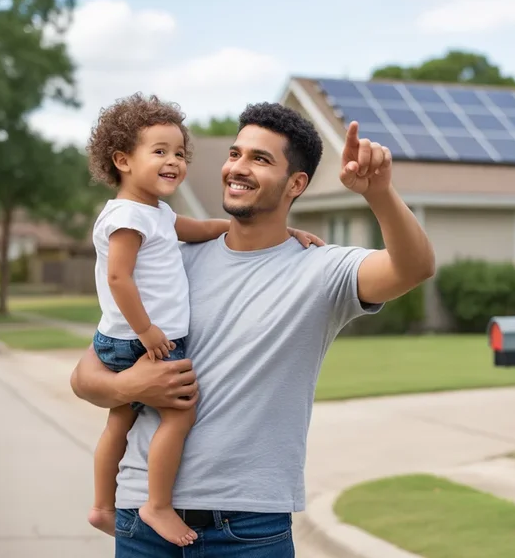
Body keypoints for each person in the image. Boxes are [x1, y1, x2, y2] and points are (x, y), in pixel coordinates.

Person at [70, 102, 435, 557]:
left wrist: (379, 193)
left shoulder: (321, 271)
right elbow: (85, 375)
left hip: (247, 528)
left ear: (296, 184)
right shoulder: (170, 259)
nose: (237, 168)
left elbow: (415, 267)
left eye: (259, 159)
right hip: (141, 520)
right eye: (235, 153)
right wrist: (129, 383)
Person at [84, 94, 323, 547]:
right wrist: (147, 333)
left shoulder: (156, 214)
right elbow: (117, 276)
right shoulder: (127, 217)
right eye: (159, 152)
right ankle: (156, 503)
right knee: (180, 413)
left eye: (179, 153)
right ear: (122, 160)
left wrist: (284, 233)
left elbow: (202, 228)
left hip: (123, 339)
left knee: (119, 422)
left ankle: (101, 505)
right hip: (141, 339)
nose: (173, 161)